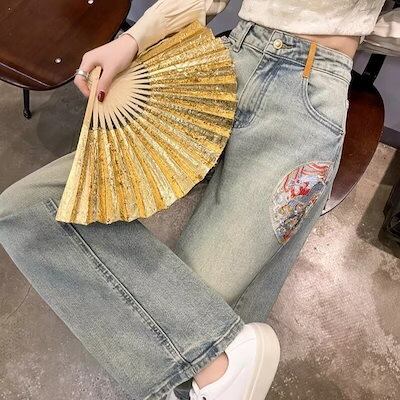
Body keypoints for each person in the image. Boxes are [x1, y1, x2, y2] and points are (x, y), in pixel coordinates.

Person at [0, 1, 399, 400]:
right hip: (223, 63)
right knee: (25, 208)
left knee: (197, 336)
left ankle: (205, 371)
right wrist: (134, 39)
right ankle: (208, 365)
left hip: (306, 99)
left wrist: (359, 23)